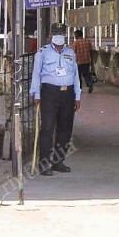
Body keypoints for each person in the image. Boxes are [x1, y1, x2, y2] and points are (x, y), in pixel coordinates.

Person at [29, 23, 81, 176]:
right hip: (49, 93)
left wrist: (77, 96)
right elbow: (36, 75)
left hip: (68, 93)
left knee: (65, 128)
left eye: (61, 33)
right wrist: (36, 94)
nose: (59, 36)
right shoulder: (42, 53)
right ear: (51, 35)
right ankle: (44, 164)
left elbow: (76, 76)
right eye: (56, 33)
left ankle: (58, 161)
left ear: (65, 35)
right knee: (47, 128)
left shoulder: (71, 53)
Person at [72, 29, 94, 94]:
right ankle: (90, 84)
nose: (75, 36)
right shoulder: (87, 41)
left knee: (78, 76)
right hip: (87, 61)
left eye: (75, 35)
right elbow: (91, 51)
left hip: (78, 62)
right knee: (86, 74)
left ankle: (79, 88)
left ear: (77, 35)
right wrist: (91, 61)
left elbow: (73, 52)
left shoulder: (76, 43)